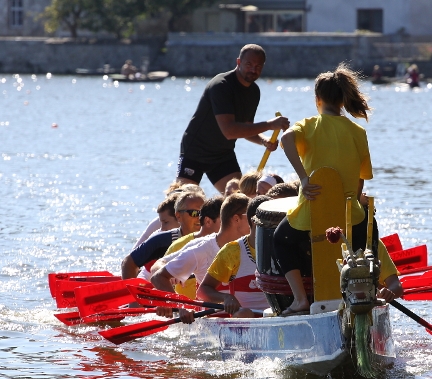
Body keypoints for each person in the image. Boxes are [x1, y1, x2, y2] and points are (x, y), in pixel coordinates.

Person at [273, 63, 403, 315]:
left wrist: (304, 179)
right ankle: (370, 290)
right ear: (343, 99)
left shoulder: (309, 125)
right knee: (369, 237)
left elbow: (285, 139)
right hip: (348, 217)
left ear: (317, 99)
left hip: (310, 214)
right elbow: (361, 181)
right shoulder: (357, 132)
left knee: (280, 240)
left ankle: (300, 299)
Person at [176, 44, 290, 193]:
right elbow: (230, 131)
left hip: (222, 155)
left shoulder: (254, 92)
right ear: (238, 62)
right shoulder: (221, 86)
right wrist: (269, 125)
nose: (253, 70)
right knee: (183, 199)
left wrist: (263, 140)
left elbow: (246, 127)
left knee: (238, 198)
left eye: (258, 66)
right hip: (195, 151)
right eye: (249, 64)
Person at [150, 194, 251, 301]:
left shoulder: (253, 245)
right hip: (208, 310)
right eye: (250, 217)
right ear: (235, 219)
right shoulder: (200, 248)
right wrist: (178, 306)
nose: (254, 222)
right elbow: (158, 274)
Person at [196, 195, 272, 318]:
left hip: (274, 317)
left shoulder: (282, 248)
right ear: (254, 222)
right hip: (245, 317)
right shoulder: (233, 251)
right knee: (245, 313)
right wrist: (226, 297)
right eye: (271, 222)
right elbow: (203, 291)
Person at [121, 191, 204, 279]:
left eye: (204, 213)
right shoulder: (161, 241)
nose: (200, 218)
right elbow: (128, 263)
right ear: (178, 216)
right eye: (194, 213)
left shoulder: (213, 238)